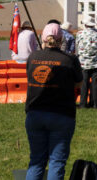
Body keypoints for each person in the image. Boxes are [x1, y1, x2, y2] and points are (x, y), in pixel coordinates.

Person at [25, 22, 83, 180]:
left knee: (36, 161)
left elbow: (30, 77)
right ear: (61, 39)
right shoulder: (70, 59)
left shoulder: (33, 57)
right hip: (61, 113)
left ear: (43, 38)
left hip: (35, 113)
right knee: (57, 162)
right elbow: (79, 82)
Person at [76, 17, 97, 108]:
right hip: (96, 61)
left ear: (85, 24)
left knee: (84, 83)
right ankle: (96, 103)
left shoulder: (79, 33)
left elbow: (78, 45)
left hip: (83, 62)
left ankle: (83, 103)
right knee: (95, 83)